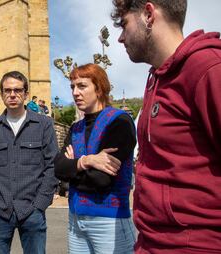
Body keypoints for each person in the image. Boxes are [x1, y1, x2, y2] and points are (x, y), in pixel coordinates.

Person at [111, 0, 221, 252]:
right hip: (151, 242)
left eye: (124, 24)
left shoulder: (209, 68)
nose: (120, 37)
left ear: (148, 14)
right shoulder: (156, 79)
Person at [0, 71, 59, 254]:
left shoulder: (43, 125)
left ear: (26, 93)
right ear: (1, 94)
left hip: (32, 211)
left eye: (17, 90)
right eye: (7, 90)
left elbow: (52, 165)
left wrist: (41, 202)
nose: (12, 94)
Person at [54, 63, 137, 253]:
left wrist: (72, 167)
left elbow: (102, 180)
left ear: (99, 88)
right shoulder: (76, 128)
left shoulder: (119, 121)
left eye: (82, 86)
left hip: (108, 221)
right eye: (72, 87)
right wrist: (87, 161)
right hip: (75, 220)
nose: (75, 92)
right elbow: (57, 168)